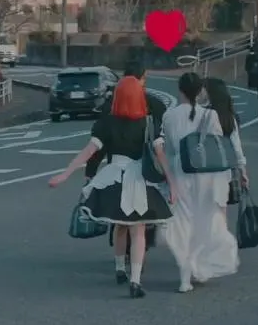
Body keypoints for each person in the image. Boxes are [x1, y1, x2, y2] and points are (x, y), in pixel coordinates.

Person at [50, 77, 176, 298]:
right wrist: (172, 183)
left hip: (113, 177)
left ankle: (119, 269)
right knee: (138, 230)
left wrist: (66, 174)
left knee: (120, 225)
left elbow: (89, 151)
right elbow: (160, 155)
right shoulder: (148, 123)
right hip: (139, 179)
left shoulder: (107, 123)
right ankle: (135, 281)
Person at [160, 74, 248, 294]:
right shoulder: (211, 115)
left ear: (180, 90)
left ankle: (185, 277)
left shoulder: (169, 116)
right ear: (200, 92)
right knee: (206, 220)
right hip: (208, 175)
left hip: (181, 171)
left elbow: (169, 149)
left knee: (184, 223)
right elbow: (216, 145)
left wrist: (168, 177)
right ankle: (200, 267)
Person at [86, 61, 167, 254]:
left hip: (116, 167)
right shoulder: (155, 105)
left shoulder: (111, 106)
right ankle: (140, 251)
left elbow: (100, 144)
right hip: (146, 169)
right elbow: (163, 142)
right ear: (142, 79)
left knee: (119, 212)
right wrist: (167, 172)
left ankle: (122, 254)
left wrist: (91, 171)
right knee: (143, 214)